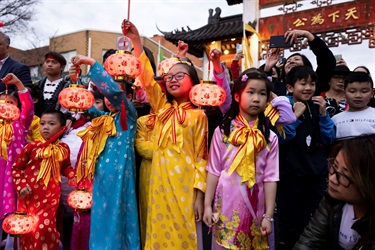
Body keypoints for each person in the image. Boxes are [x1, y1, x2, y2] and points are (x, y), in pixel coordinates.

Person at [123, 20, 208, 250]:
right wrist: (136, 41)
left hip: (185, 187)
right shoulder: (161, 109)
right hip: (159, 186)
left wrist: (200, 196)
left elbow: (202, 157)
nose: (172, 79)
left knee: (184, 236)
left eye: (180, 75)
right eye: (169, 76)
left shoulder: (199, 116)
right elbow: (148, 80)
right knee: (158, 236)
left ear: (194, 81)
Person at [69, 54, 140, 250]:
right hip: (101, 177)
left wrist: (93, 64)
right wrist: (77, 85)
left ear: (129, 97)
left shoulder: (129, 117)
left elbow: (117, 96)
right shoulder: (104, 119)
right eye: (106, 96)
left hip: (120, 178)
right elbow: (87, 108)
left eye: (114, 95)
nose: (110, 99)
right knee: (101, 215)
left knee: (118, 215)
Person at [203, 71, 279, 249]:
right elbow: (213, 170)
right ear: (237, 96)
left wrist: (268, 216)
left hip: (257, 206)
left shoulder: (270, 138)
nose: (256, 98)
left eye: (262, 94)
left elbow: (271, 178)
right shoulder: (223, 132)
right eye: (250, 92)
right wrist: (207, 205)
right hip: (226, 205)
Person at [276, 66, 336, 250]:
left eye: (312, 83)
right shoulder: (281, 107)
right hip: (291, 175)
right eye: (303, 83)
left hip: (316, 174)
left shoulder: (318, 106)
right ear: (290, 87)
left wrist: (324, 115)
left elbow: (329, 139)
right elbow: (280, 138)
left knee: (319, 218)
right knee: (292, 220)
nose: (308, 88)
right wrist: (294, 116)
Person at [294, 134, 375, 249]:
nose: (332, 179)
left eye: (343, 176)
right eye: (334, 166)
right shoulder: (332, 201)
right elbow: (310, 239)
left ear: (368, 184)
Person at [11, 110, 76, 250]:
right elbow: (16, 169)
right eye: (43, 123)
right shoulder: (31, 147)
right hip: (29, 195)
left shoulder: (63, 148)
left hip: (50, 196)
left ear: (62, 128)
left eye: (51, 124)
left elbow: (66, 167)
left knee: (45, 228)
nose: (45, 127)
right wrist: (21, 186)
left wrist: (72, 175)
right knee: (28, 229)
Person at [0, 73, 33, 241]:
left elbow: (28, 108)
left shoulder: (20, 124)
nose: (6, 106)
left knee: (12, 218)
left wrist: (19, 84)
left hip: (11, 178)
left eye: (11, 103)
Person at [265, 29, 336, 97]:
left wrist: (307, 34)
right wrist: (267, 68)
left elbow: (327, 61)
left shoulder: (314, 84)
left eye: (297, 59)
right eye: (288, 61)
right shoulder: (275, 86)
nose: (292, 61)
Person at [331, 72, 375, 139]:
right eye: (352, 91)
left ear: (372, 93)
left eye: (364, 91)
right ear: (344, 92)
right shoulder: (335, 120)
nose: (358, 96)